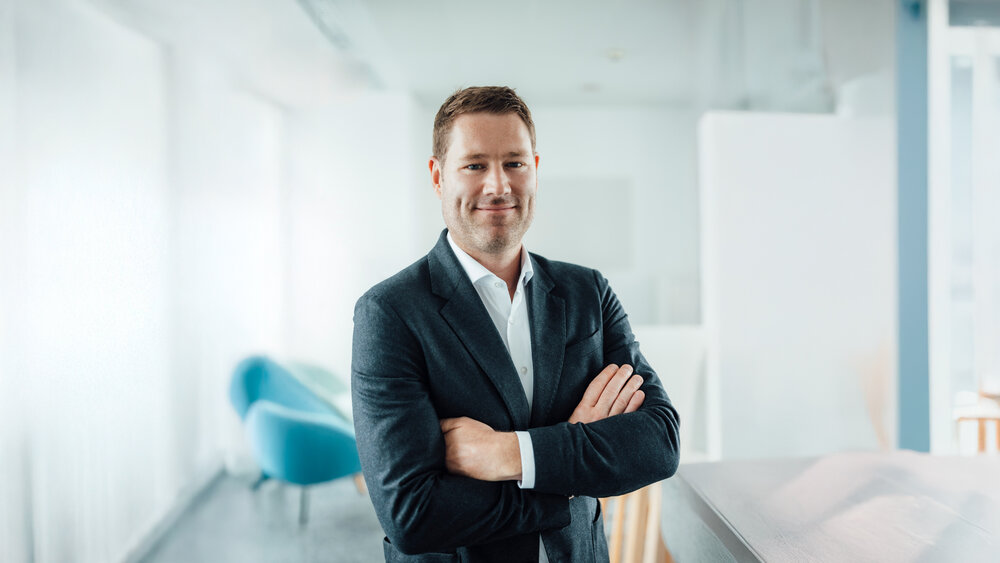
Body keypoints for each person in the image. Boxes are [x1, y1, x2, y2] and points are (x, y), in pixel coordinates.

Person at [351, 86, 680, 563]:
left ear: (535, 170)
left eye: (514, 163)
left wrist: (508, 454)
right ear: (438, 177)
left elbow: (659, 441)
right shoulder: (389, 313)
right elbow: (412, 515)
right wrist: (568, 475)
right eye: (474, 165)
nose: (498, 185)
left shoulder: (588, 292)